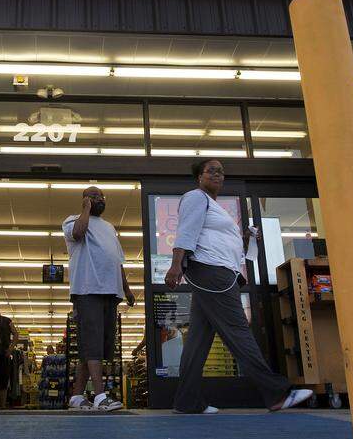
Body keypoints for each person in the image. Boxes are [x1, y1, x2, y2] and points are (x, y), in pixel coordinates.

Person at [166, 160, 312, 414]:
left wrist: (244, 238)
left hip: (219, 272)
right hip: (211, 272)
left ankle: (186, 401)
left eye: (221, 171)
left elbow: (218, 241)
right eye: (212, 170)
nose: (218, 175)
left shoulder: (215, 207)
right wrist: (176, 264)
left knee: (198, 340)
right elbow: (186, 231)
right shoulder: (195, 197)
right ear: (199, 177)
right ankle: (276, 392)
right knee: (238, 331)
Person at [62, 186, 135, 412]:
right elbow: (78, 233)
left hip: (111, 292)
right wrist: (85, 209)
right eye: (92, 196)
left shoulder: (109, 227)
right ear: (84, 200)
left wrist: (127, 289)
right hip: (87, 290)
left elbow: (118, 260)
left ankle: (76, 397)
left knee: (98, 347)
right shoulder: (73, 220)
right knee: (92, 344)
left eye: (100, 196)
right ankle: (100, 396)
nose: (98, 199)